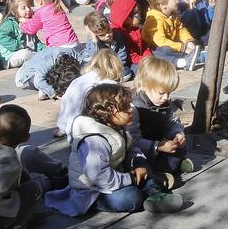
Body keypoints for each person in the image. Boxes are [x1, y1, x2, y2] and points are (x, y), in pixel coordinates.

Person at [44, 83, 184, 216]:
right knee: (130, 198)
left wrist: (138, 163)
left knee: (144, 165)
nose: (131, 109)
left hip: (117, 176)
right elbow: (98, 176)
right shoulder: (94, 140)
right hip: (93, 190)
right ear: (108, 113)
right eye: (125, 107)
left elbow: (130, 148)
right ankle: (102, 202)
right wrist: (131, 178)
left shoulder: (118, 127)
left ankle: (154, 192)